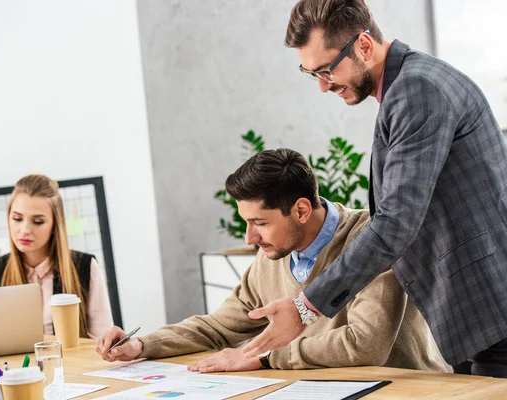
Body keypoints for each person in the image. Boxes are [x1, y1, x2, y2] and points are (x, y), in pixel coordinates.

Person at [241, 0, 507, 378]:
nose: (321, 86)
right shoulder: (412, 84)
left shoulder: (417, 90)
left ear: (364, 46)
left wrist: (305, 308)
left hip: (490, 306)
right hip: (479, 309)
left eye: (327, 70)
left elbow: (396, 219)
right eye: (310, 73)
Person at [96, 149, 449, 373]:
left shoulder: (373, 242)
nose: (249, 238)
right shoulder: (273, 256)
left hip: (405, 391)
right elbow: (220, 326)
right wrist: (142, 345)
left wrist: (263, 358)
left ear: (300, 210)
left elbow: (365, 344)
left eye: (259, 223)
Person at [0, 174, 113, 339]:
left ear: (54, 225)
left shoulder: (85, 267)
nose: (24, 229)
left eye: (37, 221)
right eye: (17, 218)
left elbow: (102, 338)